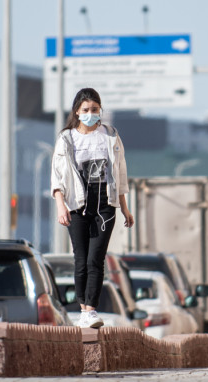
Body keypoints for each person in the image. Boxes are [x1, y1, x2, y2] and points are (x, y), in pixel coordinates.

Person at [51, 87, 134, 328]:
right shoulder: (66, 138)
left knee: (96, 259)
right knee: (81, 258)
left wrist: (124, 208)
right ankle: (82, 310)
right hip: (77, 204)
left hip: (105, 204)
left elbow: (120, 174)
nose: (90, 113)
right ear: (77, 112)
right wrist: (60, 206)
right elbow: (57, 177)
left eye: (95, 109)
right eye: (86, 110)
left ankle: (91, 310)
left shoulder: (110, 135)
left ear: (100, 111)